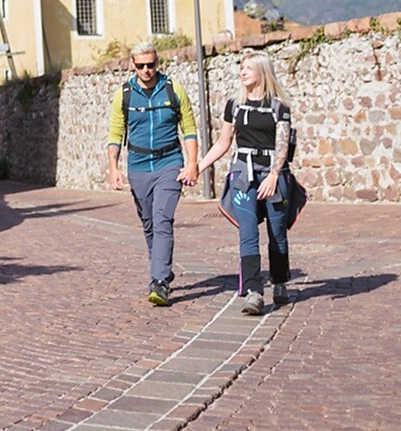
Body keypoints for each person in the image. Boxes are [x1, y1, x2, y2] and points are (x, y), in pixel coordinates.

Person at [196, 51, 300, 315]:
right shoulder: (234, 105)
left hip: (273, 172)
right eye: (241, 68)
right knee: (248, 232)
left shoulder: (279, 107)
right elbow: (223, 141)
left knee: (277, 232)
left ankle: (279, 282)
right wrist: (198, 167)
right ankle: (254, 292)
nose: (243, 72)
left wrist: (275, 175)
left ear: (262, 72)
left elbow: (283, 146)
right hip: (243, 172)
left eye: (249, 68)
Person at [103, 41, 199, 306]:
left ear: (158, 63)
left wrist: (191, 163)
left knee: (162, 220)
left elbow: (189, 128)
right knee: (148, 223)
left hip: (169, 163)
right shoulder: (124, 94)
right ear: (132, 65)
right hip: (138, 166)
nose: (147, 70)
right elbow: (115, 134)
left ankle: (159, 281)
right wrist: (113, 168)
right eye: (141, 65)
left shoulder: (172, 89)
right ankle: (163, 268)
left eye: (151, 65)